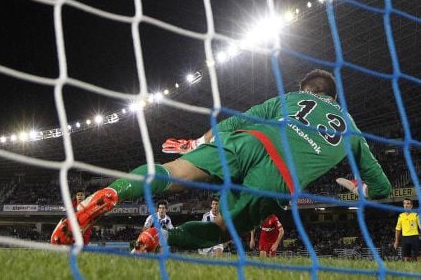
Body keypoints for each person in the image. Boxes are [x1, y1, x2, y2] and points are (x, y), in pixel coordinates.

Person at [51, 69, 391, 252]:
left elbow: (238, 119)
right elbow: (382, 187)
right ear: (332, 97)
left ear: (307, 90)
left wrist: (198, 141)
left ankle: (111, 194)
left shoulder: (291, 98)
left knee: (170, 172)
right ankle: (161, 239)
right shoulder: (352, 131)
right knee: (223, 230)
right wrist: (362, 190)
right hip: (278, 178)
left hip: (248, 141)